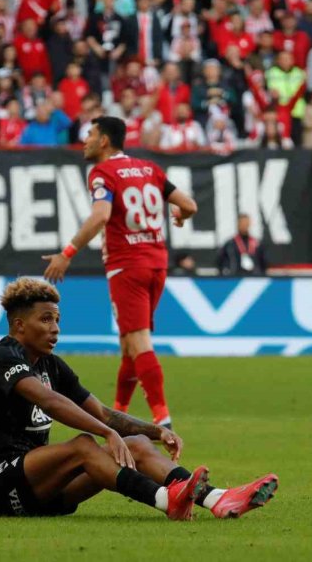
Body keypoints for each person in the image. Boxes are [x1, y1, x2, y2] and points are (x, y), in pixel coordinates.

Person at [0, 277, 279, 518]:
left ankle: (217, 499)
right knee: (83, 445)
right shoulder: (2, 357)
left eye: (57, 320)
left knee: (137, 444)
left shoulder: (50, 365)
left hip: (39, 491)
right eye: (45, 319)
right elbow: (51, 403)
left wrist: (156, 431)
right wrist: (106, 434)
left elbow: (103, 413)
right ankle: (168, 502)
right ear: (19, 325)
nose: (55, 328)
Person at [43, 117, 198, 429]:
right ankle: (118, 416)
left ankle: (162, 422)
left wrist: (67, 253)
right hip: (157, 265)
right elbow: (189, 205)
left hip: (127, 266)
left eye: (89, 133)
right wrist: (181, 215)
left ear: (103, 141)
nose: (84, 139)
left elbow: (101, 215)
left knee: (139, 341)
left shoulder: (103, 173)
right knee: (129, 344)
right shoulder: (149, 169)